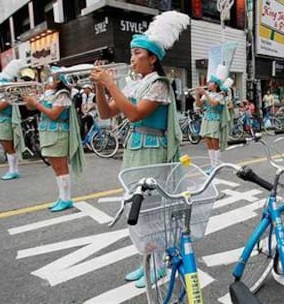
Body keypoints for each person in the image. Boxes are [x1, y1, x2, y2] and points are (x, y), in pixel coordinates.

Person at [90, 10, 189, 288]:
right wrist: (100, 88)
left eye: (137, 54)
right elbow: (107, 113)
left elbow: (134, 115)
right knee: (137, 209)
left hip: (153, 150)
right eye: (132, 53)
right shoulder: (136, 84)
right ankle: (148, 259)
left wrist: (111, 83)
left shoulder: (158, 84)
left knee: (149, 210)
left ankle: (157, 265)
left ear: (153, 58)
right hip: (136, 149)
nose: (132, 59)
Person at [23, 66, 85, 212]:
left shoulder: (62, 94)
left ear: (58, 80)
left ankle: (66, 199)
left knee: (61, 167)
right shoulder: (47, 93)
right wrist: (30, 99)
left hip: (58, 134)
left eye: (50, 77)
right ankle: (62, 196)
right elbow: (30, 108)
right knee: (56, 168)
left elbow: (53, 114)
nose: (47, 79)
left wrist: (37, 103)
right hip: (47, 133)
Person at [195, 64, 231, 173]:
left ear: (215, 85)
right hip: (206, 118)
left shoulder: (220, 95)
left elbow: (214, 104)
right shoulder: (207, 94)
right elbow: (199, 104)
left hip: (215, 119)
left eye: (210, 82)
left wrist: (204, 93)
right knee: (208, 142)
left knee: (215, 142)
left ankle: (217, 166)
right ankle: (212, 165)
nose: (208, 84)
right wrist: (197, 94)